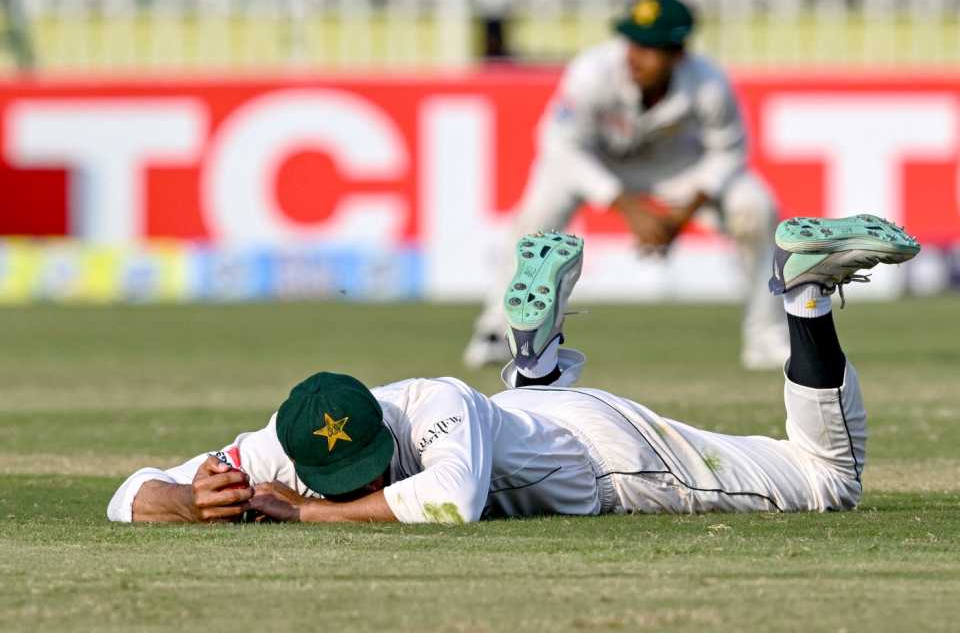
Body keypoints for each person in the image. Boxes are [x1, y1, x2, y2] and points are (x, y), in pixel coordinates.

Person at [107, 215, 919, 524]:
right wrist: (184, 498)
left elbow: (452, 498)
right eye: (342, 478)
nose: (358, 485)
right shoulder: (276, 448)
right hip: (535, 419)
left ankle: (805, 292)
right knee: (515, 431)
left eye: (366, 467)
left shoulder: (432, 404)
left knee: (826, 481)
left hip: (613, 459)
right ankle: (535, 360)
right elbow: (124, 495)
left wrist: (306, 516)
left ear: (382, 427)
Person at [464, 0, 789, 371]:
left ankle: (767, 335)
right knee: (536, 214)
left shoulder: (708, 83)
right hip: (601, 163)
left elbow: (729, 152)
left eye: (651, 48)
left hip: (678, 170)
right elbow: (560, 146)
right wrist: (625, 205)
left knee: (755, 207)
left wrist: (682, 214)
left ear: (678, 53)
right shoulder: (593, 71)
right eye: (633, 41)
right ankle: (497, 330)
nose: (636, 56)